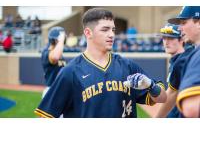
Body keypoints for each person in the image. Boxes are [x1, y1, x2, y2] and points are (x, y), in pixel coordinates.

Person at [35, 8, 167, 118]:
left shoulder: (127, 66)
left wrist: (151, 86)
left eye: (113, 30)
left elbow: (163, 98)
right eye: (105, 30)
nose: (111, 35)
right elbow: (46, 115)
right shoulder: (71, 72)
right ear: (88, 33)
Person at [168, 6, 200, 117]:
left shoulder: (196, 56)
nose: (180, 28)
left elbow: (191, 108)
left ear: (198, 23)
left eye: (183, 23)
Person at [155, 24, 185, 118]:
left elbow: (172, 94)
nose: (166, 42)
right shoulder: (176, 61)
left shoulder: (182, 61)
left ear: (181, 40)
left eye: (171, 38)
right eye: (164, 38)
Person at [41, 26, 67, 98]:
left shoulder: (60, 55)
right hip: (52, 91)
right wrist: (61, 40)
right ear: (56, 40)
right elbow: (55, 57)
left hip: (60, 91)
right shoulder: (46, 53)